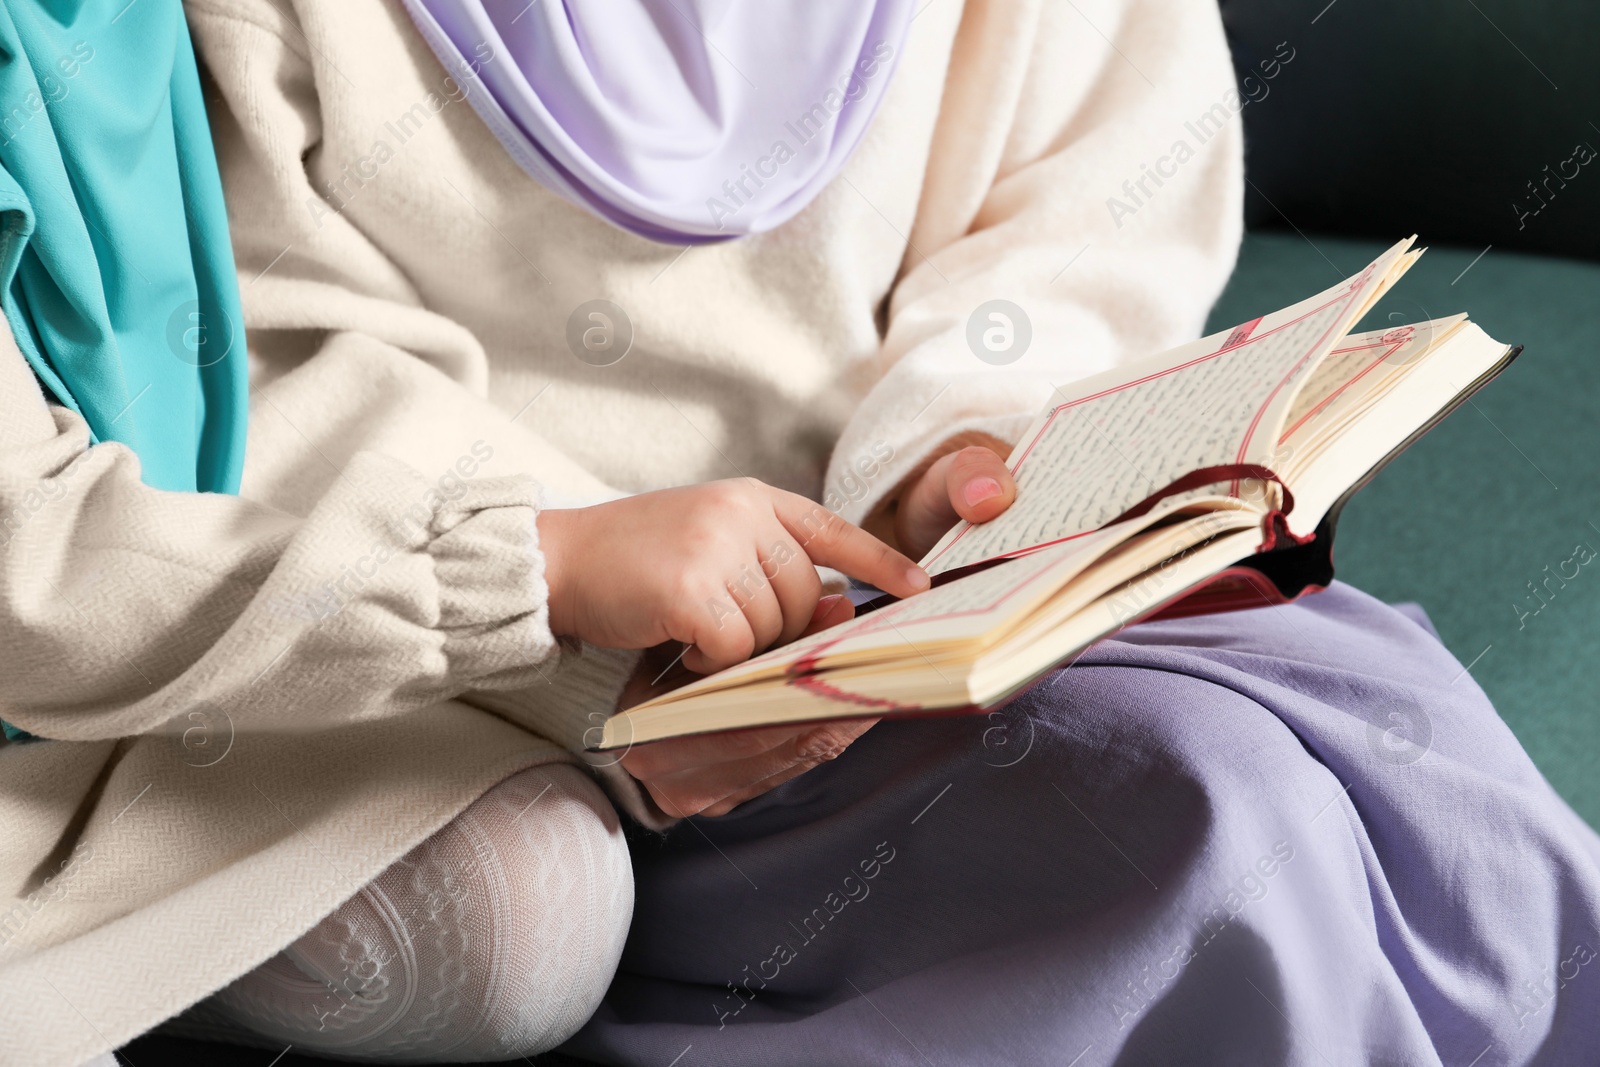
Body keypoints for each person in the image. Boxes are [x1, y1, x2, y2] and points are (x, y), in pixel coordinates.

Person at [2, 1, 1597, 1065]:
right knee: (1212, 815)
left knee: (1390, 732)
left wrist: (976, 452)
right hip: (572, 652)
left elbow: (1087, 198)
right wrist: (595, 594)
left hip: (948, 577)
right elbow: (256, 349)